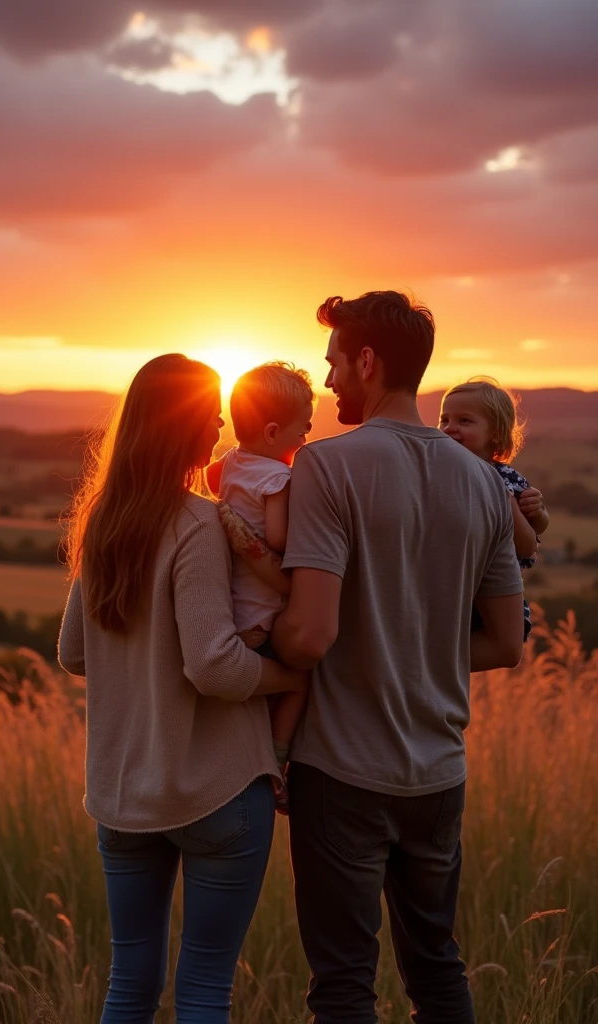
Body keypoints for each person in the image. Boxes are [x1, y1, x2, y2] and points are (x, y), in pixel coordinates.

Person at [271, 291, 525, 1024]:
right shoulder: (485, 482)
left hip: (342, 772)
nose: (327, 384)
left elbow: (309, 637)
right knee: (439, 973)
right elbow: (506, 643)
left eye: (334, 364)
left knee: (345, 988)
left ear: (368, 360)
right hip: (439, 771)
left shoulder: (326, 466)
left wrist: (252, 646)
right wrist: (417, 652)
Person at [58, 353, 304, 1024]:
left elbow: (74, 653)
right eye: (212, 413)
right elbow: (216, 667)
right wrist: (295, 674)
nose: (223, 424)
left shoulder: (102, 521)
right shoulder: (198, 523)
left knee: (129, 987)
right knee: (201, 993)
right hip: (217, 789)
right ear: (185, 426)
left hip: (122, 796)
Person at [207, 362, 314, 781]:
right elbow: (280, 537)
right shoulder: (279, 477)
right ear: (272, 433)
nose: (305, 439)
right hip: (265, 620)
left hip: (236, 612)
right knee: (298, 685)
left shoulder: (230, 461)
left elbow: (214, 484)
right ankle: (277, 756)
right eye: (302, 430)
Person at [439, 377, 550, 640]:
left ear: (496, 433)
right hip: (446, 591)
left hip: (492, 594)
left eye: (464, 421)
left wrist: (537, 512)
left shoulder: (507, 480)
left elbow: (529, 542)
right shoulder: (436, 475)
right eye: (444, 420)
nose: (450, 428)